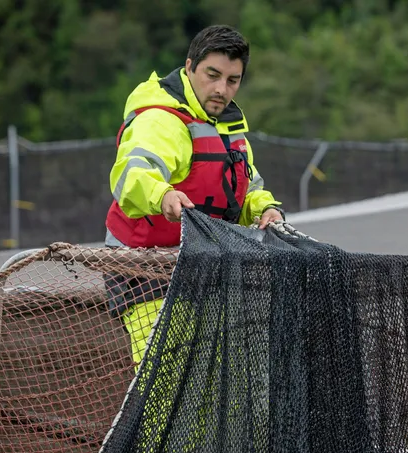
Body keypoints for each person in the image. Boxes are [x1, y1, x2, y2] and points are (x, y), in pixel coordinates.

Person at [102, 25, 285, 369]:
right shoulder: (160, 119)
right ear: (189, 68)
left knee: (219, 388)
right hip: (145, 273)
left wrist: (267, 209)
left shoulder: (229, 125)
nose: (221, 89)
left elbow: (248, 191)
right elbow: (131, 177)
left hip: (204, 270)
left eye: (232, 80)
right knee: (165, 390)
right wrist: (163, 195)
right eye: (212, 75)